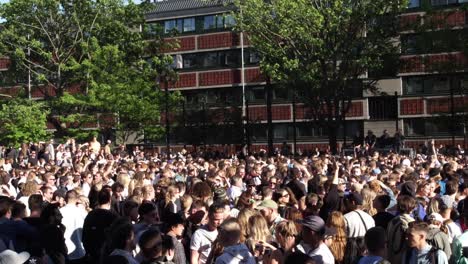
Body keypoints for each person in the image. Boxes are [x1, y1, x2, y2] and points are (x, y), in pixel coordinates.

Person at [82, 188, 118, 262]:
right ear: (109, 200)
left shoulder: (91, 215)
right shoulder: (113, 216)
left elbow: (85, 236)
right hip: (107, 255)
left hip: (93, 254)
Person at [59, 189, 87, 260]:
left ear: (66, 199)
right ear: (77, 199)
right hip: (80, 250)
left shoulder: (60, 212)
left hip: (65, 251)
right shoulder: (82, 212)